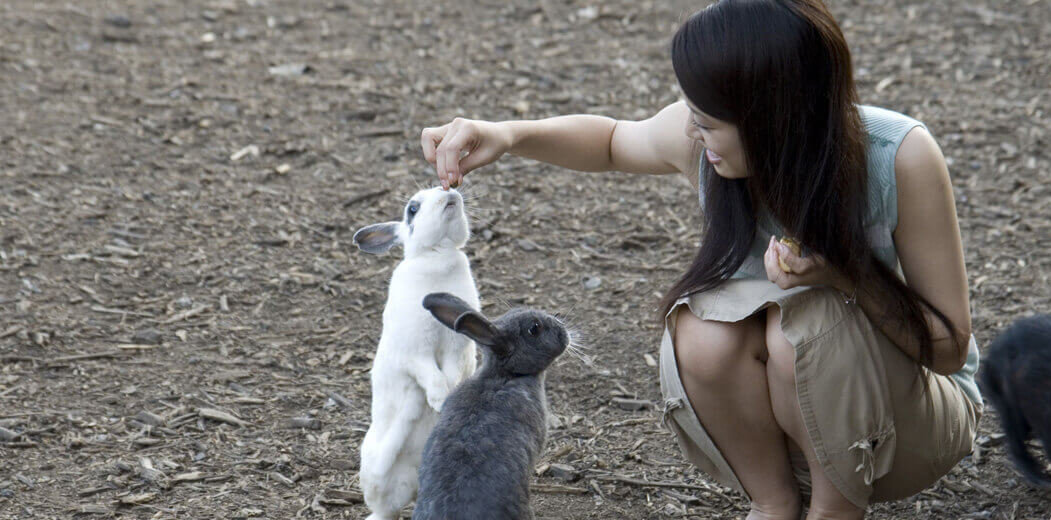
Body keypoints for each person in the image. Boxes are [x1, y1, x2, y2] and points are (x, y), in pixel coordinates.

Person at [416, 1, 983, 519]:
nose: (691, 129)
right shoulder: (707, 141)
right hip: (805, 412)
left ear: (772, 117)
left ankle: (836, 510)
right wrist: (508, 134)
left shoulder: (899, 157)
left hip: (914, 424)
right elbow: (614, 141)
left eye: (707, 119)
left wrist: (845, 273)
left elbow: (949, 346)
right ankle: (774, 503)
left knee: (800, 324)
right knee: (702, 330)